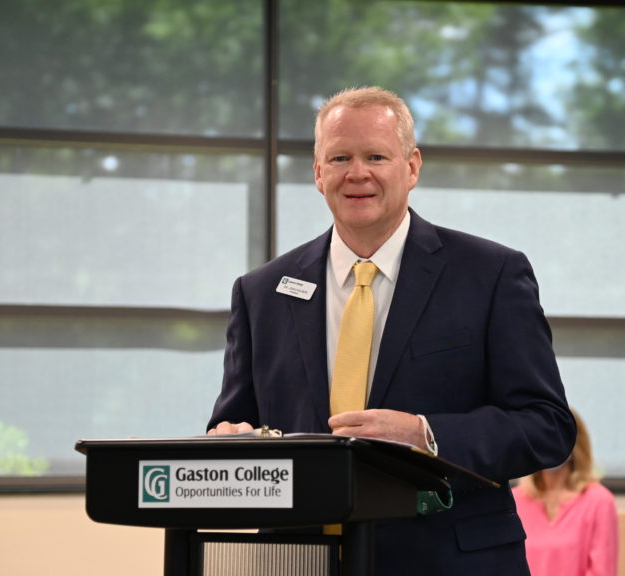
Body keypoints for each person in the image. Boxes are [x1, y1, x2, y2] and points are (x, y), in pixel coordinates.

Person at [207, 86, 576, 575]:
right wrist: (230, 441)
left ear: (412, 166)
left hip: (448, 561)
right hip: (299, 560)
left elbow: (546, 425)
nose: (357, 173)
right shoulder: (262, 291)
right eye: (339, 157)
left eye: (376, 156)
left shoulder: (490, 275)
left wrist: (426, 434)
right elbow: (237, 424)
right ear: (318, 173)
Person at [513, 409, 618, 576]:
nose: (546, 445)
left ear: (574, 443)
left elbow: (602, 571)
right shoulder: (516, 500)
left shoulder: (599, 502)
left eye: (553, 437)